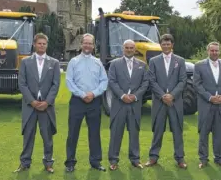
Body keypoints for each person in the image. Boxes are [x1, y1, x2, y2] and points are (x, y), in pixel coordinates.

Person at [15, 33, 61, 173]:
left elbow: (56, 84)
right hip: (30, 106)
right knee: (28, 135)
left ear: (47, 45)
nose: (42, 46)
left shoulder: (54, 63)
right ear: (34, 44)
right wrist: (32, 101)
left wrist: (47, 102)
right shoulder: (25, 62)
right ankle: (25, 163)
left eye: (44, 44)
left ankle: (48, 163)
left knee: (47, 137)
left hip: (46, 107)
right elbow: (22, 84)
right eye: (39, 43)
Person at [64, 33, 108, 172]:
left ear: (93, 46)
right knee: (73, 133)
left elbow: (104, 81)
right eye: (85, 43)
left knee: (94, 133)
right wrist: (82, 94)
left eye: (90, 43)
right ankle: (70, 162)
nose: (88, 45)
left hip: (94, 102)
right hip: (77, 101)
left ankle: (95, 161)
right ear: (81, 44)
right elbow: (69, 81)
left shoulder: (98, 62)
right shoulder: (73, 62)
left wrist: (93, 93)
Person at [145, 34, 187, 169]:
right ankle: (153, 157)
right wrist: (163, 96)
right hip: (159, 102)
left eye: (168, 44)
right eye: (164, 44)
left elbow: (182, 81)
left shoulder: (180, 61)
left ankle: (180, 158)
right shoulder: (153, 61)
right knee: (157, 131)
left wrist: (172, 95)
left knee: (177, 131)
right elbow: (151, 80)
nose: (166, 46)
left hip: (175, 102)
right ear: (160, 45)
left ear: (172, 45)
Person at [107, 40, 149, 170]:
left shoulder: (142, 65)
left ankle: (135, 159)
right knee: (116, 133)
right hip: (119, 104)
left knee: (134, 133)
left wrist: (135, 96)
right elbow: (112, 81)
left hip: (135, 105)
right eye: (127, 47)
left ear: (135, 49)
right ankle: (113, 160)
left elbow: (145, 83)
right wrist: (122, 95)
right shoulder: (114, 64)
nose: (129, 50)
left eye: (131, 48)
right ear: (123, 49)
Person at [193, 42, 221, 169]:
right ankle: (203, 159)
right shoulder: (199, 66)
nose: (214, 53)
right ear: (208, 51)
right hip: (206, 105)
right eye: (212, 51)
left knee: (219, 133)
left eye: (216, 50)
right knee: (204, 133)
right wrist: (210, 97)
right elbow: (197, 85)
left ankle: (219, 159)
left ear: (219, 51)